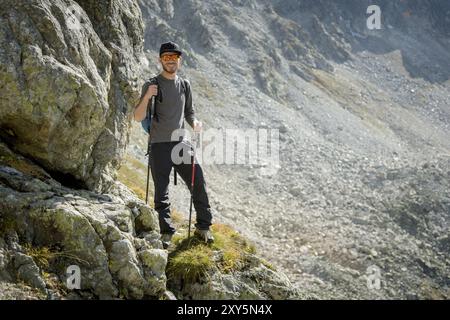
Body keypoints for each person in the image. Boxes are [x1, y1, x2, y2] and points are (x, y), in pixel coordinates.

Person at [133, 41, 214, 248]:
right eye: (166, 57)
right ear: (160, 60)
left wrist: (194, 123)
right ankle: (166, 231)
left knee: (198, 182)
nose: (170, 61)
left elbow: (189, 112)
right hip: (159, 145)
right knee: (162, 191)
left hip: (181, 144)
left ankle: (203, 226)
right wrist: (147, 96)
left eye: (174, 57)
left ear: (179, 60)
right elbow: (138, 116)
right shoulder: (152, 84)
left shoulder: (185, 85)